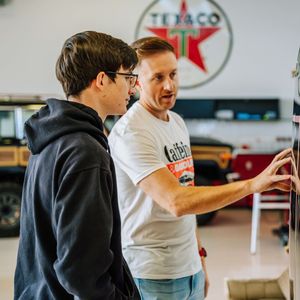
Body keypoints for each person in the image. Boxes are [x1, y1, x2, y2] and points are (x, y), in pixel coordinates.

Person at [108, 36, 291, 300]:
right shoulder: (131, 132)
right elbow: (177, 200)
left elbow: (188, 191)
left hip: (189, 267)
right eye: (157, 78)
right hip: (153, 275)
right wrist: (253, 184)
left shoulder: (177, 122)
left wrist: (199, 257)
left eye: (173, 74)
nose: (169, 85)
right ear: (136, 83)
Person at [14, 31, 141, 300]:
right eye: (128, 78)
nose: (133, 88)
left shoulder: (50, 138)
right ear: (102, 80)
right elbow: (82, 273)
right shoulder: (85, 152)